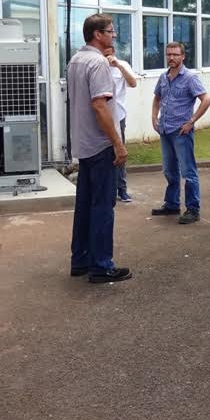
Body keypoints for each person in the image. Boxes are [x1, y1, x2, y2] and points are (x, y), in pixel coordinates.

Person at [68, 15, 131, 282]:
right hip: (100, 144)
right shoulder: (97, 63)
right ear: (97, 34)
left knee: (84, 205)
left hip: (83, 144)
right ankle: (101, 266)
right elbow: (99, 106)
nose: (113, 35)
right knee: (103, 206)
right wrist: (117, 143)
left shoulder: (75, 60)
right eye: (110, 31)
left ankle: (81, 260)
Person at [151, 41, 210, 224]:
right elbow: (157, 98)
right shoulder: (163, 77)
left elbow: (206, 100)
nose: (171, 57)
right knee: (169, 170)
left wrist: (191, 121)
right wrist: (154, 118)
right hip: (165, 130)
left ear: (183, 56)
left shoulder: (190, 78)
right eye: (169, 54)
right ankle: (172, 204)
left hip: (181, 132)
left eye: (175, 54)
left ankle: (193, 209)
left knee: (188, 171)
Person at [103, 45, 137, 203]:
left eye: (109, 54)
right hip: (101, 115)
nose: (107, 57)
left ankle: (122, 189)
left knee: (119, 151)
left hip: (118, 115)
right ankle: (107, 190)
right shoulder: (97, 66)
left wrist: (118, 66)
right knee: (102, 153)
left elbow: (133, 83)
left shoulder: (122, 65)